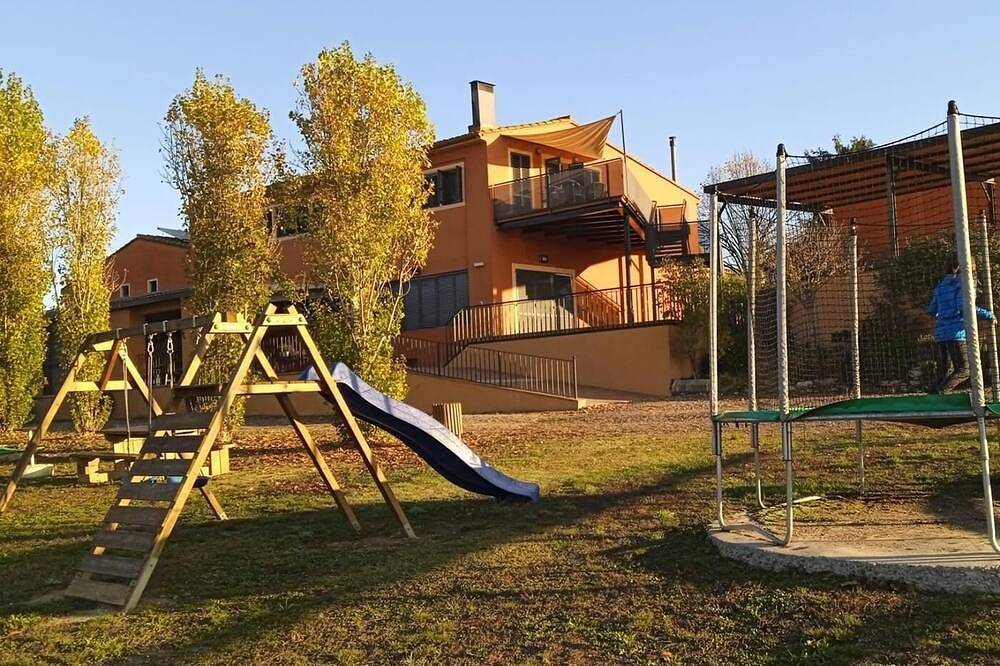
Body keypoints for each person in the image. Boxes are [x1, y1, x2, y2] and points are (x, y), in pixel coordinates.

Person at [928, 253, 995, 393]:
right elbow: (965, 306)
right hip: (957, 333)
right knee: (964, 370)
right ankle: (942, 393)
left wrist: (945, 314)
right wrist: (988, 314)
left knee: (945, 371)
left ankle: (931, 397)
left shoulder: (941, 285)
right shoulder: (966, 282)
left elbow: (932, 309)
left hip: (941, 334)